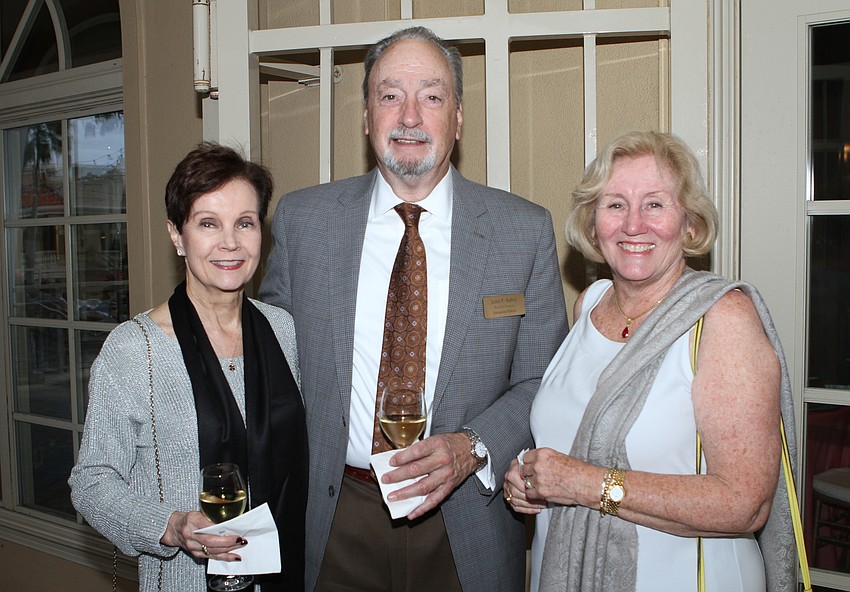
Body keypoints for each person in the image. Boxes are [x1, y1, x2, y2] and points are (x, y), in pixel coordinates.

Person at [259, 26, 568, 592]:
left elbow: (541, 380)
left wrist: (472, 447)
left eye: (430, 95)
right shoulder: (304, 222)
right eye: (389, 95)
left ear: (458, 118)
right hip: (333, 518)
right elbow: (265, 363)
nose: (408, 116)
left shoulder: (521, 230)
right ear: (367, 115)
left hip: (466, 520)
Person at [504, 130, 798, 591]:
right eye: (615, 204)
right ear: (592, 223)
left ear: (690, 223)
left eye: (655, 204)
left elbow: (745, 504)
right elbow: (572, 442)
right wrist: (528, 478)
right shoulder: (590, 303)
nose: (633, 224)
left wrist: (582, 483)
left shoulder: (722, 320)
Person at [69, 142, 308, 592]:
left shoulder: (283, 330)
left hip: (288, 577)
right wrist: (172, 525)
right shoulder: (132, 350)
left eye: (245, 223)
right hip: (182, 581)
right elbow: (92, 483)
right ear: (177, 235)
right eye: (207, 224)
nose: (230, 243)